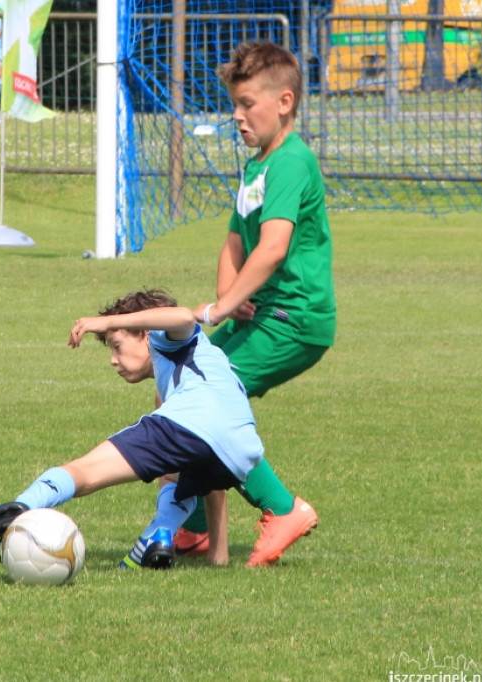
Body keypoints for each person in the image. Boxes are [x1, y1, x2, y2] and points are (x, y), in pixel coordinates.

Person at [0, 289, 311, 570]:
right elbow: (212, 477)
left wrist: (103, 322)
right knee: (181, 473)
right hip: (240, 448)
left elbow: (183, 315)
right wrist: (219, 555)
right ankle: (160, 535)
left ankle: (20, 506)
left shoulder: (170, 339)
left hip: (198, 428)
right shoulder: (199, 375)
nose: (114, 360)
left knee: (84, 471)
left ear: (144, 333)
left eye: (117, 345)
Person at [141, 41, 334, 567]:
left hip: (294, 318)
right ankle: (196, 526)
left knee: (207, 404)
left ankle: (284, 508)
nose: (237, 115)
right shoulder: (257, 166)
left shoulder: (292, 162)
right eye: (235, 104)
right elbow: (234, 243)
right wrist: (231, 298)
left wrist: (222, 308)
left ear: (285, 102)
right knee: (180, 395)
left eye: (248, 103)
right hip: (263, 312)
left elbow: (272, 247)